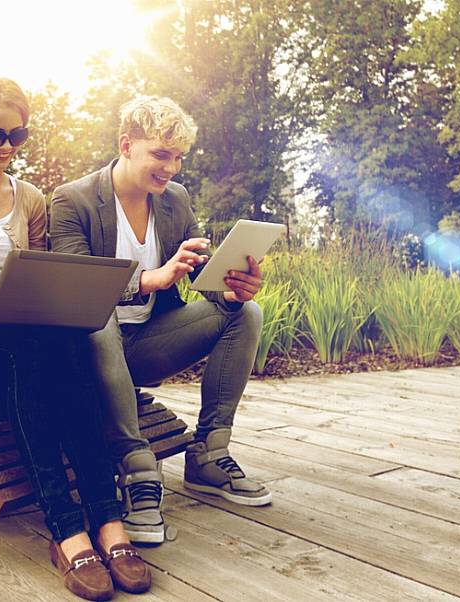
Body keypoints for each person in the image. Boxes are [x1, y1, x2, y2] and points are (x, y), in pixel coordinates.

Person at [0, 77, 150, 601]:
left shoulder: (33, 199)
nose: (6, 146)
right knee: (30, 346)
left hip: (18, 349)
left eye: (18, 135)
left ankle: (107, 522)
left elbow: (40, 280)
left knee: (66, 345)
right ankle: (67, 527)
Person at [49, 96, 269, 545]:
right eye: (161, 155)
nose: (171, 168)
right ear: (126, 145)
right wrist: (150, 278)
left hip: (149, 342)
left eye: (179, 158)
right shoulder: (72, 200)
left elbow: (195, 277)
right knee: (97, 319)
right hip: (90, 349)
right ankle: (136, 466)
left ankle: (209, 453)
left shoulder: (174, 200)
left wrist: (228, 287)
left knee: (244, 313)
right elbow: (75, 291)